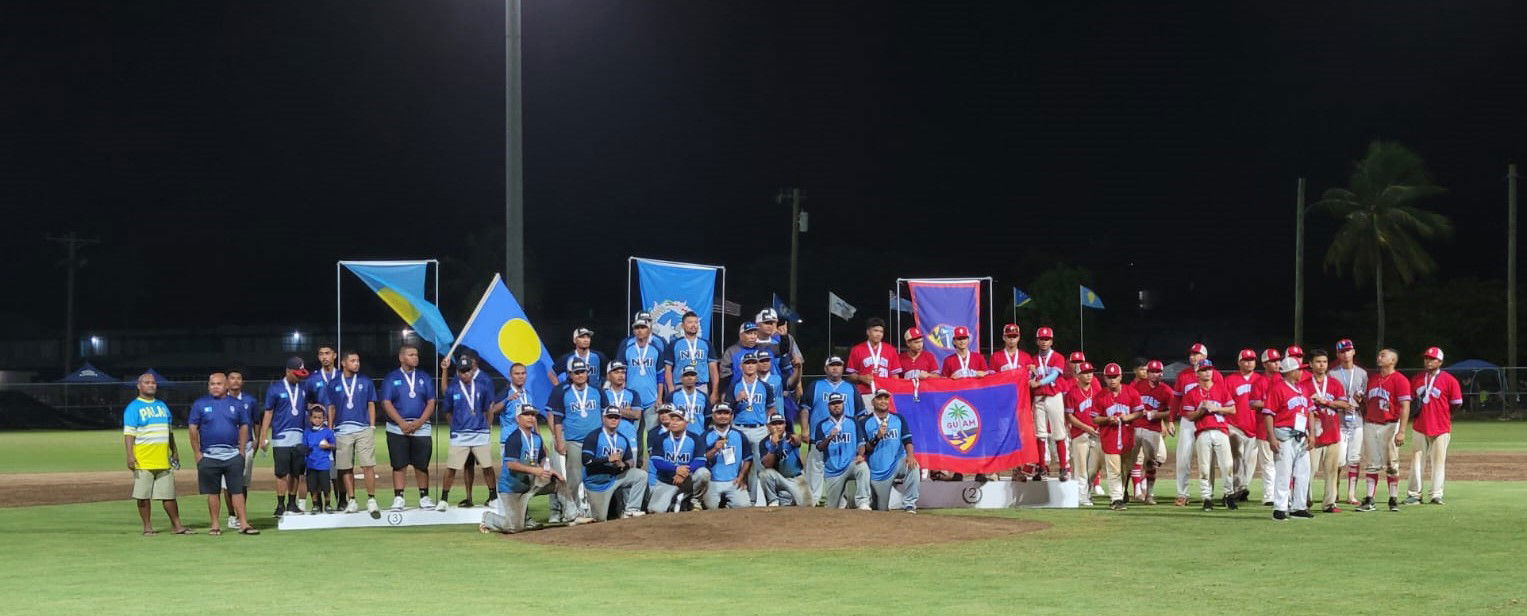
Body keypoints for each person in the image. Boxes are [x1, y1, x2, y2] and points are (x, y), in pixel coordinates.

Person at [481, 404, 575, 533]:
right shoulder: (513, 439)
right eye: (526, 415)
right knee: (513, 527)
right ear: (518, 419)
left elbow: (541, 458)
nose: (530, 418)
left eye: (532, 415)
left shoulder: (536, 438)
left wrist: (549, 468)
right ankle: (488, 518)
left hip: (529, 485)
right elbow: (511, 465)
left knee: (560, 482)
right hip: (511, 489)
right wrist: (535, 470)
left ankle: (572, 516)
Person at [189, 373, 257, 534]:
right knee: (213, 492)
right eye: (212, 384)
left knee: (237, 490)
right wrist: (197, 453)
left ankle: (244, 524)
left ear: (226, 386)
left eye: (218, 384)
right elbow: (193, 428)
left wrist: (241, 451)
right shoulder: (200, 404)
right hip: (209, 455)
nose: (215, 387)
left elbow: (244, 426)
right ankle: (215, 525)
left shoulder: (237, 404)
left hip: (232, 455)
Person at [124, 372, 190, 535]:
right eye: (147, 382)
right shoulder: (133, 407)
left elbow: (169, 432)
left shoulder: (162, 406)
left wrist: (174, 451)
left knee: (169, 495)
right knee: (143, 495)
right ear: (139, 386)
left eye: (153, 382)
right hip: (143, 459)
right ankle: (147, 527)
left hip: (163, 459)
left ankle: (177, 526)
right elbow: (129, 434)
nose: (151, 385)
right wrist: (130, 455)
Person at [546, 358, 606, 523]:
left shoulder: (597, 390)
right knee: (573, 479)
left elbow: (605, 416)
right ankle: (571, 512)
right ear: (570, 375)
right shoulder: (562, 391)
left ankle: (594, 510)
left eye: (583, 371)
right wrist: (559, 441)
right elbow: (556, 419)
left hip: (596, 442)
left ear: (587, 373)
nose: (580, 375)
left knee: (595, 477)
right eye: (576, 372)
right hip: (574, 441)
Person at [379, 344, 437, 511]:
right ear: (402, 357)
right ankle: (399, 498)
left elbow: (431, 402)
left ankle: (424, 497)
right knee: (399, 464)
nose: (415, 357)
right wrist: (401, 423)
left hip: (421, 427)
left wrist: (420, 421)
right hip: (397, 428)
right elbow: (386, 402)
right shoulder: (392, 377)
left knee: (421, 465)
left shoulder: (424, 377)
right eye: (411, 355)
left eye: (416, 355)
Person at [1260, 357, 1316, 520]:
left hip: (1301, 436)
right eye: (1299, 369)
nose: (1302, 372)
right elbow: (1268, 414)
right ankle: (1280, 507)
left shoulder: (1303, 389)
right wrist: (1271, 437)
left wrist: (1312, 434)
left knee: (1303, 472)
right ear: (1290, 372)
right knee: (1284, 473)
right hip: (1284, 435)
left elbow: (1310, 412)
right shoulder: (1277, 388)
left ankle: (1299, 507)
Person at [438, 355, 497, 511]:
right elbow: (448, 412)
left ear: (472, 370)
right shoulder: (453, 389)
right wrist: (454, 427)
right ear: (458, 372)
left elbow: (488, 409)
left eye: (467, 371)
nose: (465, 374)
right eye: (462, 371)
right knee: (451, 467)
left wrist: (487, 426)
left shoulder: (482, 387)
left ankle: (493, 497)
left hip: (479, 433)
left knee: (487, 466)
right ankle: (444, 499)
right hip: (460, 435)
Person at [326, 351, 380, 516]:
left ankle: (371, 500)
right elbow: (331, 407)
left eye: (358, 360)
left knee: (368, 465)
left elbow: (371, 404)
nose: (357, 363)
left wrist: (371, 426)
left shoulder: (365, 381)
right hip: (342, 429)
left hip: (363, 428)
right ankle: (352, 500)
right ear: (343, 363)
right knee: (345, 467)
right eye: (353, 360)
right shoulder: (334, 383)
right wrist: (330, 428)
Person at [1357, 348, 1411, 513]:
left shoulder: (1400, 380)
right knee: (1371, 464)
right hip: (1371, 424)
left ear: (1393, 360)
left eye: (1383, 355)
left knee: (1391, 463)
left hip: (1390, 424)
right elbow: (1367, 403)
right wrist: (1360, 402)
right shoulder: (1373, 379)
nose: (1379, 357)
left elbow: (1405, 406)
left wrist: (1401, 430)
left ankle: (1393, 499)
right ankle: (1369, 499)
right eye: (1379, 354)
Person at [1406, 346, 1462, 505]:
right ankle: (1414, 494)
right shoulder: (1416, 379)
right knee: (1417, 461)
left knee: (1438, 461)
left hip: (1441, 427)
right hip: (1420, 425)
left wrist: (1445, 415)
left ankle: (1436, 494)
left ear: (1440, 361)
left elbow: (1456, 403)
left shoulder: (1449, 380)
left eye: (1432, 359)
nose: (1428, 361)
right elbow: (1410, 401)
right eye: (1426, 358)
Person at [802, 357, 863, 497]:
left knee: (844, 472)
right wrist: (805, 429)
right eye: (831, 366)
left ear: (843, 368)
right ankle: (813, 502)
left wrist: (860, 437)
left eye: (838, 365)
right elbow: (805, 409)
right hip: (818, 437)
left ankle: (844, 503)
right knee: (815, 473)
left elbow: (860, 414)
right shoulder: (815, 385)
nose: (835, 368)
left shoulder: (851, 388)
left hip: (845, 440)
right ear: (825, 369)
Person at [1170, 343, 1222, 507]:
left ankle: (1208, 493)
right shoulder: (1183, 375)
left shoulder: (1216, 375)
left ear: (1205, 357)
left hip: (1209, 420)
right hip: (1188, 420)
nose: (1193, 356)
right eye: (1191, 354)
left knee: (1208, 458)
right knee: (1183, 457)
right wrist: (1171, 419)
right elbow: (1176, 399)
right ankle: (1182, 493)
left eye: (1197, 354)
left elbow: (1223, 398)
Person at [1181, 361, 1237, 511]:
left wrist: (1216, 408)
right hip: (1203, 431)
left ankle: (1229, 495)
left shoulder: (1221, 389)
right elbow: (1189, 415)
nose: (1207, 372)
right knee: (1204, 468)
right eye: (1204, 370)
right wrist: (1201, 411)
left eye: (1209, 369)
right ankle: (1206, 498)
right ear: (1197, 373)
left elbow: (1232, 409)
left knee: (1227, 465)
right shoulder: (1192, 392)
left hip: (1221, 430)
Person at [262, 356, 314, 516]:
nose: (299, 377)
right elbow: (268, 412)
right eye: (297, 374)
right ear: (288, 371)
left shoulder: (304, 388)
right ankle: (280, 505)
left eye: (301, 374)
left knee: (296, 472)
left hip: (299, 437)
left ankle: (292, 503)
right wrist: (263, 435)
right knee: (281, 473)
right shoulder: (275, 388)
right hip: (281, 438)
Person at [581, 406, 647, 521]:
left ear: (620, 420)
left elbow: (630, 461)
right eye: (610, 417)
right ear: (603, 418)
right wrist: (607, 459)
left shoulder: (622, 439)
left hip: (614, 479)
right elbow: (586, 461)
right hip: (596, 483)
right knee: (600, 519)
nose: (613, 420)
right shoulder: (593, 436)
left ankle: (631, 509)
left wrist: (623, 465)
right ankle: (586, 506)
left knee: (641, 475)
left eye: (616, 417)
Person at [728, 352, 777, 504]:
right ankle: (738, 498)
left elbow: (771, 409)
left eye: (753, 363)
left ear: (757, 366)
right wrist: (736, 401)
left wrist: (771, 429)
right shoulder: (734, 385)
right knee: (737, 464)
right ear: (741, 366)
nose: (750, 366)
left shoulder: (765, 387)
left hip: (759, 429)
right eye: (747, 363)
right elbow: (727, 409)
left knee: (759, 465)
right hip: (739, 427)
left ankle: (759, 499)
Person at [1092, 363, 1143, 511]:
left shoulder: (1131, 392)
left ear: (1120, 377)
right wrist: (1107, 419)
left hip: (1127, 437)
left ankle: (1120, 493)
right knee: (1114, 470)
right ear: (1105, 378)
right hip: (1109, 437)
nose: (1112, 380)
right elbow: (1094, 418)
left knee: (1125, 469)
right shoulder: (1100, 396)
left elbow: (1139, 411)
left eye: (1115, 377)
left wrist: (1128, 417)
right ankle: (1116, 499)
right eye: (1109, 377)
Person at [1306, 349, 1351, 513]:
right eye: (1318, 361)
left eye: (1324, 362)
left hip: (1332, 432)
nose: (1322, 365)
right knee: (1308, 470)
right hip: (1311, 434)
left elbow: (1345, 404)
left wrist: (1325, 401)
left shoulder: (1334, 383)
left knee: (1331, 471)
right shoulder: (1304, 384)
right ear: (1311, 364)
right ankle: (1304, 501)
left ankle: (1329, 503)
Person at [862, 390, 919, 513]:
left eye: (886, 398)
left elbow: (907, 439)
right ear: (873, 401)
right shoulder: (865, 422)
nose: (883, 401)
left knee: (913, 466)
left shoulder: (898, 418)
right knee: (880, 510)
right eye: (879, 398)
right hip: (878, 471)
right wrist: (877, 437)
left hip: (897, 463)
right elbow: (864, 450)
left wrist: (910, 455)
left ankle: (909, 505)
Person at [616, 312, 666, 448]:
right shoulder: (627, 348)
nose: (640, 330)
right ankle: (635, 464)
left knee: (654, 433)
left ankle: (652, 466)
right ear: (633, 330)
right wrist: (623, 395)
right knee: (632, 434)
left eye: (643, 327)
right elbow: (619, 373)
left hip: (651, 398)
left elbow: (661, 376)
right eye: (637, 328)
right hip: (632, 399)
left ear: (649, 329)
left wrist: (660, 398)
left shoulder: (656, 350)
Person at [1329, 338, 1369, 505]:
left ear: (1353, 351)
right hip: (1338, 419)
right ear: (1338, 354)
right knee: (1338, 460)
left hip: (1357, 420)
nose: (1346, 354)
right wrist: (1341, 405)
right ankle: (1334, 491)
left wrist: (1361, 400)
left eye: (1348, 350)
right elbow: (1328, 398)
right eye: (1342, 351)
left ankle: (1351, 494)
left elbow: (1365, 398)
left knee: (1354, 458)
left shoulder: (1361, 373)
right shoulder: (1332, 374)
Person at [814, 393, 871, 509]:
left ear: (843, 404)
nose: (836, 406)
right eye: (833, 404)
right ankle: (842, 503)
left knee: (863, 467)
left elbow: (861, 443)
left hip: (851, 464)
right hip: (833, 470)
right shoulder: (821, 425)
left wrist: (860, 455)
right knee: (832, 507)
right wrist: (829, 437)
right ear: (828, 406)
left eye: (838, 403)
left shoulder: (853, 422)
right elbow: (820, 447)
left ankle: (863, 502)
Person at [646, 407, 708, 513]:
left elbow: (700, 461)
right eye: (672, 419)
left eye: (678, 420)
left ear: (686, 423)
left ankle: (694, 500)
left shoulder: (695, 438)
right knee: (655, 510)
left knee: (704, 473)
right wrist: (676, 469)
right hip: (667, 480)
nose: (674, 422)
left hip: (687, 479)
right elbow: (657, 462)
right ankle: (677, 500)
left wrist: (683, 472)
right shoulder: (660, 438)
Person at [1127, 360, 1172, 503]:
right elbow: (1127, 404)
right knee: (1130, 462)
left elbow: (1172, 410)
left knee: (1153, 462)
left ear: (1162, 374)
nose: (1154, 374)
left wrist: (1160, 417)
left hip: (1152, 429)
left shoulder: (1166, 390)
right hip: (1134, 427)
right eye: (1151, 372)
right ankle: (1124, 492)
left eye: (1157, 372)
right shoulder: (1137, 386)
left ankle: (1149, 494)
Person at [1223, 349, 1264, 503]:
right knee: (1236, 458)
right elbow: (1224, 402)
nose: (1249, 362)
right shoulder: (1230, 380)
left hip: (1255, 427)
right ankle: (1236, 488)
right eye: (1246, 360)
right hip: (1235, 426)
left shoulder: (1260, 380)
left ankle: (1242, 488)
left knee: (1250, 460)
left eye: (1252, 360)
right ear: (1239, 362)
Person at [304, 344, 342, 509]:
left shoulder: (342, 376)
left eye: (328, 353)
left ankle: (341, 500)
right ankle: (318, 503)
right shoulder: (313, 378)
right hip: (318, 428)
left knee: (339, 466)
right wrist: (312, 410)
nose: (324, 357)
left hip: (339, 426)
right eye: (321, 354)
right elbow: (306, 401)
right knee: (318, 464)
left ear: (334, 355)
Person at [223, 368, 261, 529]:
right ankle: (231, 515)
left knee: (242, 484)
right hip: (227, 446)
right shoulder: (220, 400)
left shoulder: (250, 401)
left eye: (239, 378)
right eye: (232, 378)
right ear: (227, 381)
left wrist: (257, 440)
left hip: (246, 446)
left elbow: (256, 422)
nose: (236, 381)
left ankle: (241, 515)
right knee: (226, 485)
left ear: (242, 382)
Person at [1249, 347, 1284, 506]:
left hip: (1282, 427)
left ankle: (1283, 494)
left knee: (1282, 462)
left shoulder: (1283, 380)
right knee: (1268, 463)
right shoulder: (1259, 382)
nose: (1277, 363)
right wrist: (1273, 405)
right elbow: (1253, 403)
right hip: (1263, 427)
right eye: (1273, 361)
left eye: (1278, 360)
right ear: (1264, 363)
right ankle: (1269, 495)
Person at [702, 403, 753, 509]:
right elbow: (701, 460)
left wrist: (741, 477)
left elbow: (748, 458)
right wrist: (714, 449)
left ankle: (727, 504)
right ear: (713, 416)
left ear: (731, 416)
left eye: (726, 413)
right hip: (713, 481)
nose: (723, 416)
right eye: (719, 413)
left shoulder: (739, 435)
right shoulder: (705, 435)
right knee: (710, 508)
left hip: (733, 481)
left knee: (744, 506)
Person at [664, 311, 721, 404]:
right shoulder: (674, 344)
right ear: (682, 325)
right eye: (690, 322)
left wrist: (715, 392)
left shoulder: (706, 344)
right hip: (679, 386)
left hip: (701, 386)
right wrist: (671, 389)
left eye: (696, 322)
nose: (693, 325)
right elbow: (667, 370)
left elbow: (713, 370)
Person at [1064, 362, 1101, 505]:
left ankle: (1088, 492)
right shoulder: (1072, 393)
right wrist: (1086, 428)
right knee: (1081, 466)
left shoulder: (1096, 391)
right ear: (1078, 375)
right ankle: (1081, 496)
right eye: (1086, 372)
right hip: (1079, 434)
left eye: (1091, 372)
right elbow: (1070, 417)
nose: (1089, 375)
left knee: (1094, 466)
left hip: (1096, 433)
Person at [847, 317, 903, 407]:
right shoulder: (857, 350)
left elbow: (895, 375)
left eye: (881, 332)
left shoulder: (891, 350)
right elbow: (850, 376)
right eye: (875, 331)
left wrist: (893, 391)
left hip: (885, 394)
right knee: (867, 420)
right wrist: (861, 378)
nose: (879, 334)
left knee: (885, 420)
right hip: (865, 393)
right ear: (868, 332)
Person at [757, 412, 807, 507]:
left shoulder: (790, 437)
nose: (777, 426)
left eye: (780, 423)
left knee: (807, 506)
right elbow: (767, 465)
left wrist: (796, 440)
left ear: (785, 425)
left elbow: (797, 442)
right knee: (764, 474)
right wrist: (773, 446)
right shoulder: (764, 442)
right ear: (768, 426)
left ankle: (789, 499)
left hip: (796, 479)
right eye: (774, 424)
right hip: (779, 480)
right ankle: (773, 501)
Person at [602, 361, 645, 449]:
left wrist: (612, 410)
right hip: (607, 439)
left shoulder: (633, 393)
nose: (621, 375)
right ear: (608, 375)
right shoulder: (603, 394)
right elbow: (600, 415)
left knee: (631, 463)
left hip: (629, 436)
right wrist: (627, 412)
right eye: (616, 372)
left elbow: (637, 415)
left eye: (623, 372)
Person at [302, 407, 336, 514]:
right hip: (311, 463)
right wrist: (304, 449)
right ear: (310, 418)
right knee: (313, 487)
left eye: (320, 417)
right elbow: (304, 446)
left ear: (324, 418)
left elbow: (335, 445)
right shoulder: (307, 432)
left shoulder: (327, 432)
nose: (317, 419)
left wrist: (328, 445)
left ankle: (328, 504)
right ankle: (315, 505)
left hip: (323, 464)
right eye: (315, 417)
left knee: (326, 486)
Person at [720, 321, 763, 389]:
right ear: (741, 335)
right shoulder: (731, 351)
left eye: (755, 334)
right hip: (737, 389)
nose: (753, 337)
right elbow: (725, 374)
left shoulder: (762, 350)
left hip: (759, 389)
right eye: (749, 333)